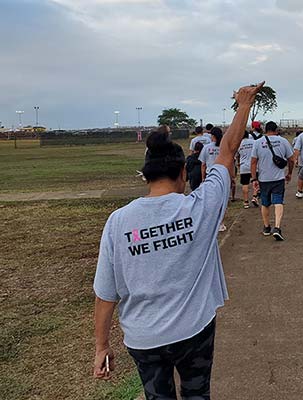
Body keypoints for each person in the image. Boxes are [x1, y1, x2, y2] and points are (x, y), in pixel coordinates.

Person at [92, 82, 264, 399]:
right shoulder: (201, 207)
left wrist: (101, 345)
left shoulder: (118, 221)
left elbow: (106, 292)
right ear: (183, 174)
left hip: (143, 339)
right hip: (194, 330)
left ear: (145, 176)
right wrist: (244, 104)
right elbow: (227, 152)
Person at [251, 121, 294, 241]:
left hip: (263, 179)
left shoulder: (258, 143)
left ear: (265, 130)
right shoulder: (283, 141)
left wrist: (254, 178)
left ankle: (266, 227)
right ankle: (277, 227)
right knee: (278, 201)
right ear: (276, 130)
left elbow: (253, 162)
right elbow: (291, 159)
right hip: (278, 178)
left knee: (265, 203)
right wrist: (289, 173)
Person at [199, 127, 227, 231]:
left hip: (210, 176)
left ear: (213, 136)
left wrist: (203, 178)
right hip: (223, 176)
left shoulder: (206, 148)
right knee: (222, 200)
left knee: (211, 200)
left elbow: (203, 164)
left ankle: (212, 222)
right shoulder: (224, 147)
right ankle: (221, 223)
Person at [237, 131, 257, 209]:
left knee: (245, 184)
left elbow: (237, 156)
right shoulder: (254, 142)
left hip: (244, 166)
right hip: (254, 165)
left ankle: (246, 202)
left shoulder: (239, 144)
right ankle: (254, 197)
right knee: (255, 181)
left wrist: (238, 163)